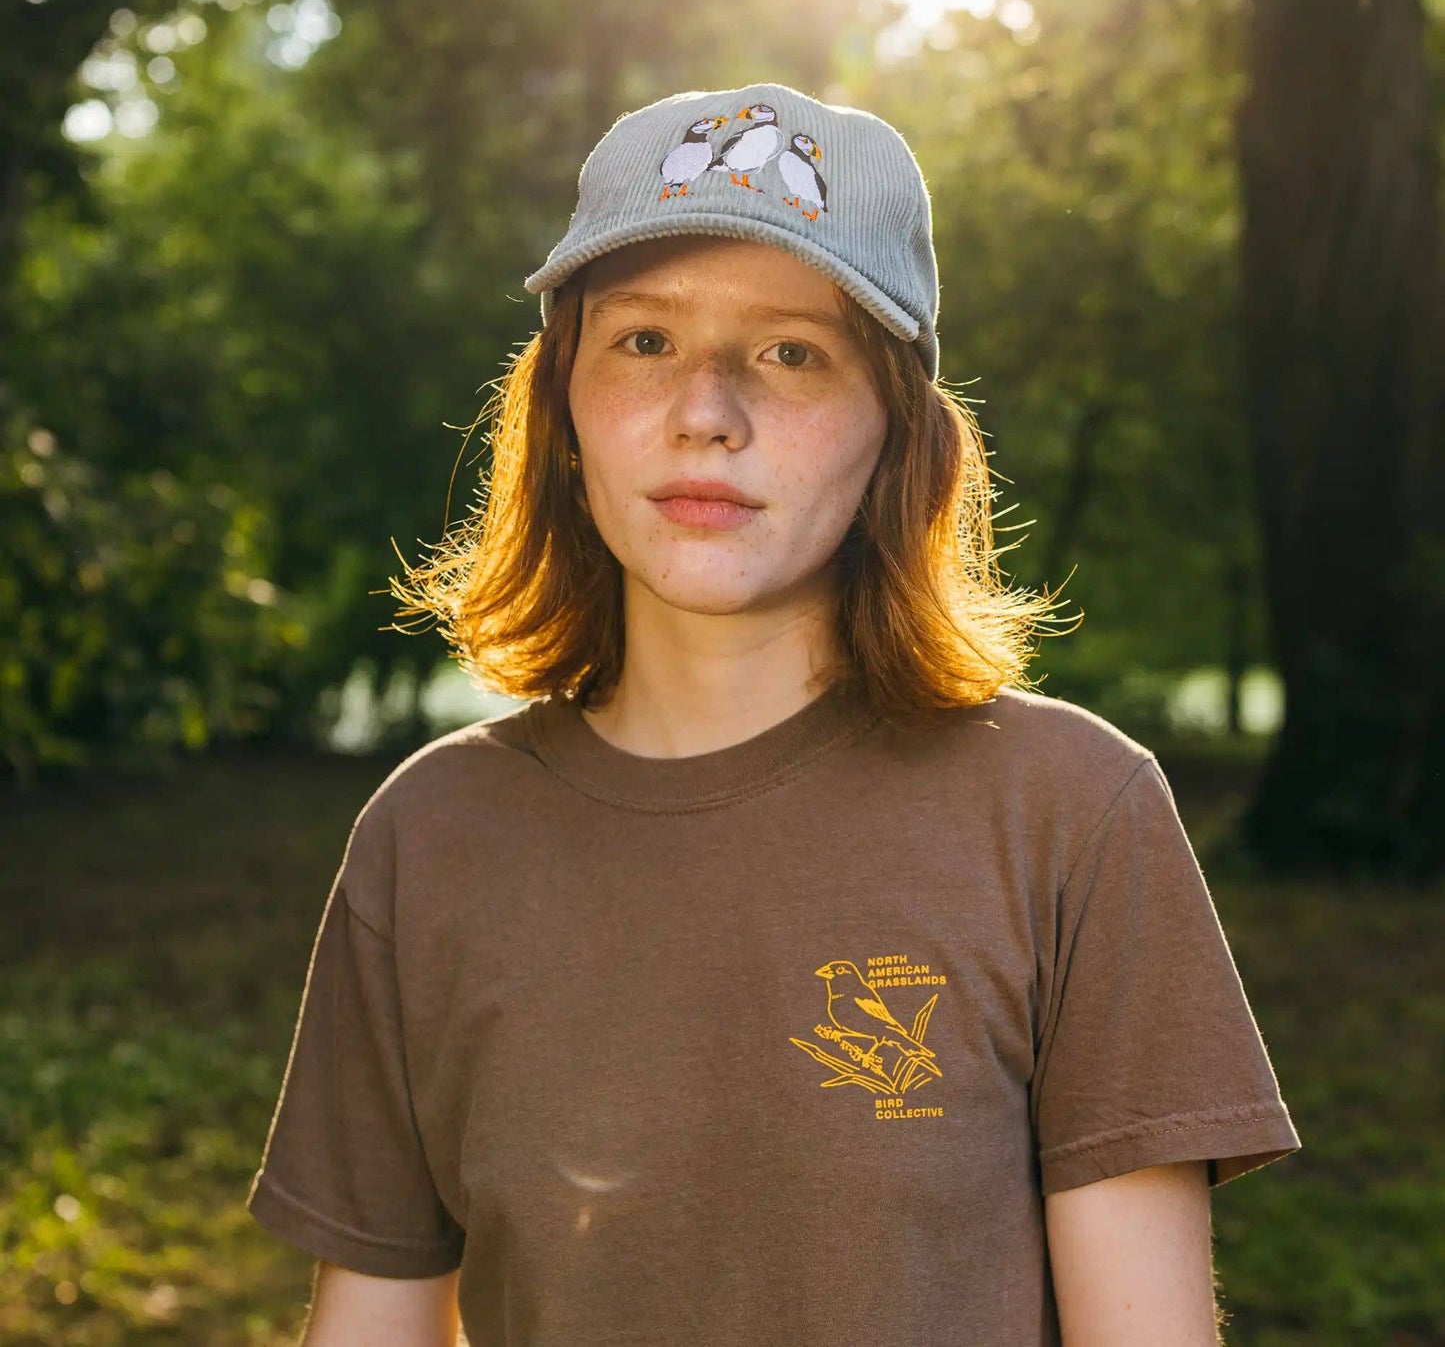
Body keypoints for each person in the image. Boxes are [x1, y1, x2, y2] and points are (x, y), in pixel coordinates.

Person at [246, 81, 1301, 1346]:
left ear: (896, 435)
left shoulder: (1068, 813)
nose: (706, 412)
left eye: (790, 352)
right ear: (561, 418)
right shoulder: (428, 840)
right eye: (643, 340)